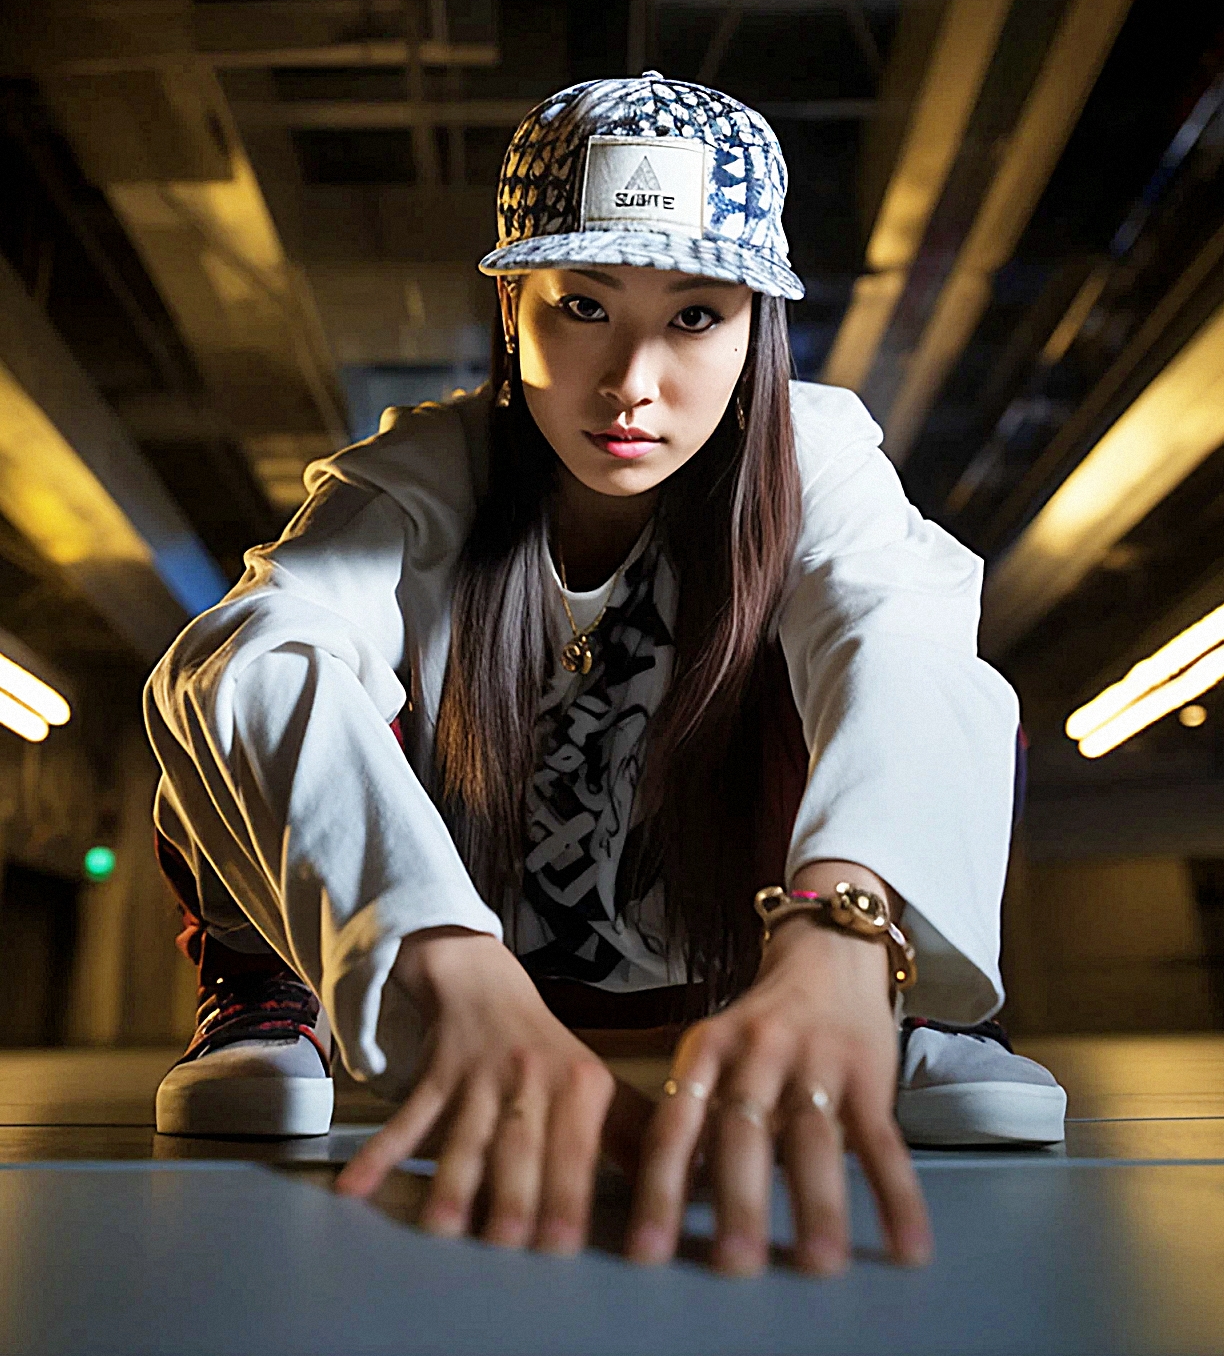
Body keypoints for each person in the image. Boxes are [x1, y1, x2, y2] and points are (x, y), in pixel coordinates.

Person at [145, 72, 1065, 1278]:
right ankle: (267, 990)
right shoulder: (426, 474)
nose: (633, 380)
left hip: (745, 951)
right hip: (474, 964)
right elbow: (244, 666)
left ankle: (899, 996)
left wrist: (846, 923)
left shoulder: (816, 457)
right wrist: (432, 944)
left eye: (696, 315)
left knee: (918, 655)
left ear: (757, 326)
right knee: (256, 660)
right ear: (511, 304)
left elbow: (902, 643)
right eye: (583, 305)